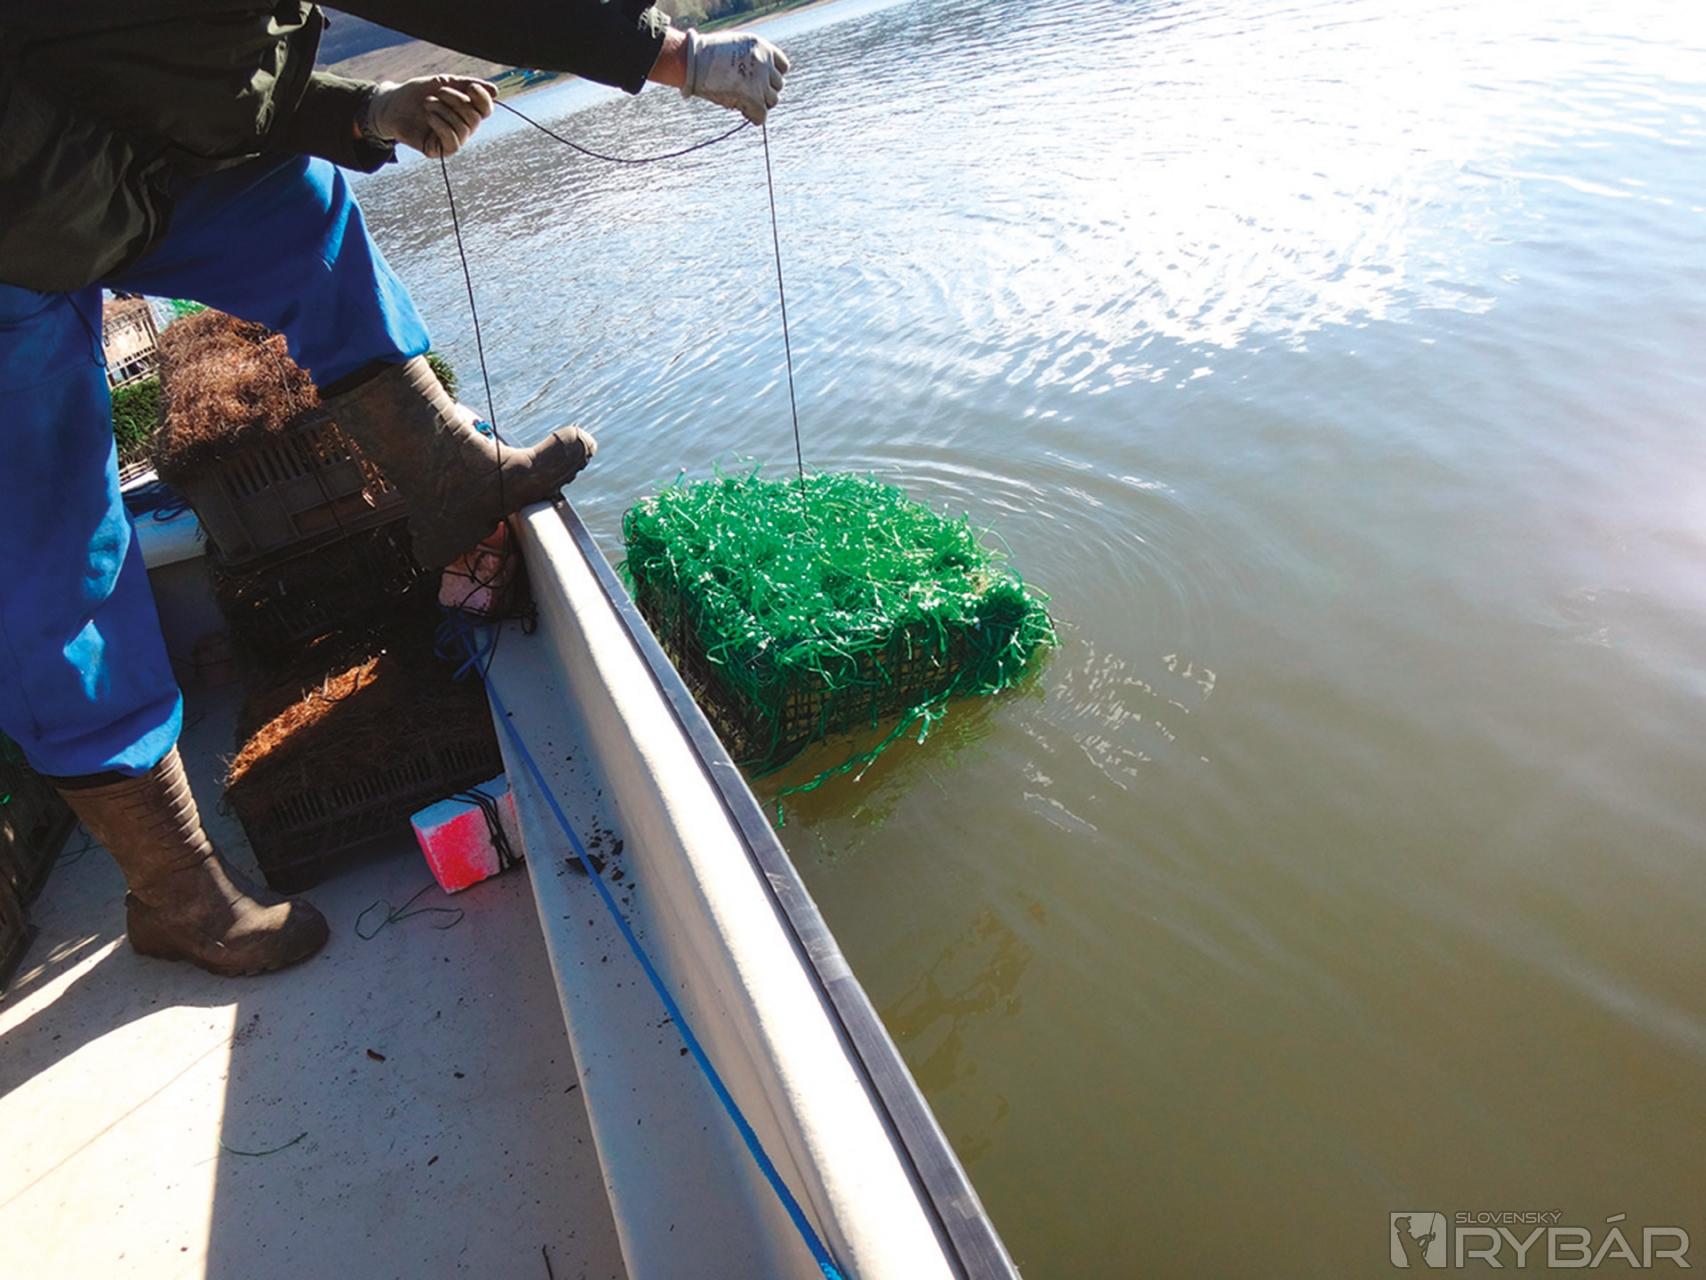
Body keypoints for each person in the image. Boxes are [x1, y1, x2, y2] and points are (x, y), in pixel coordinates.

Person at [0, 3, 789, 976]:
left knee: (294, 203)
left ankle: (448, 473)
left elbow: (152, 65)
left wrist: (360, 113)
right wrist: (673, 54)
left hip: (99, 162)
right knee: (53, 548)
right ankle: (175, 894)